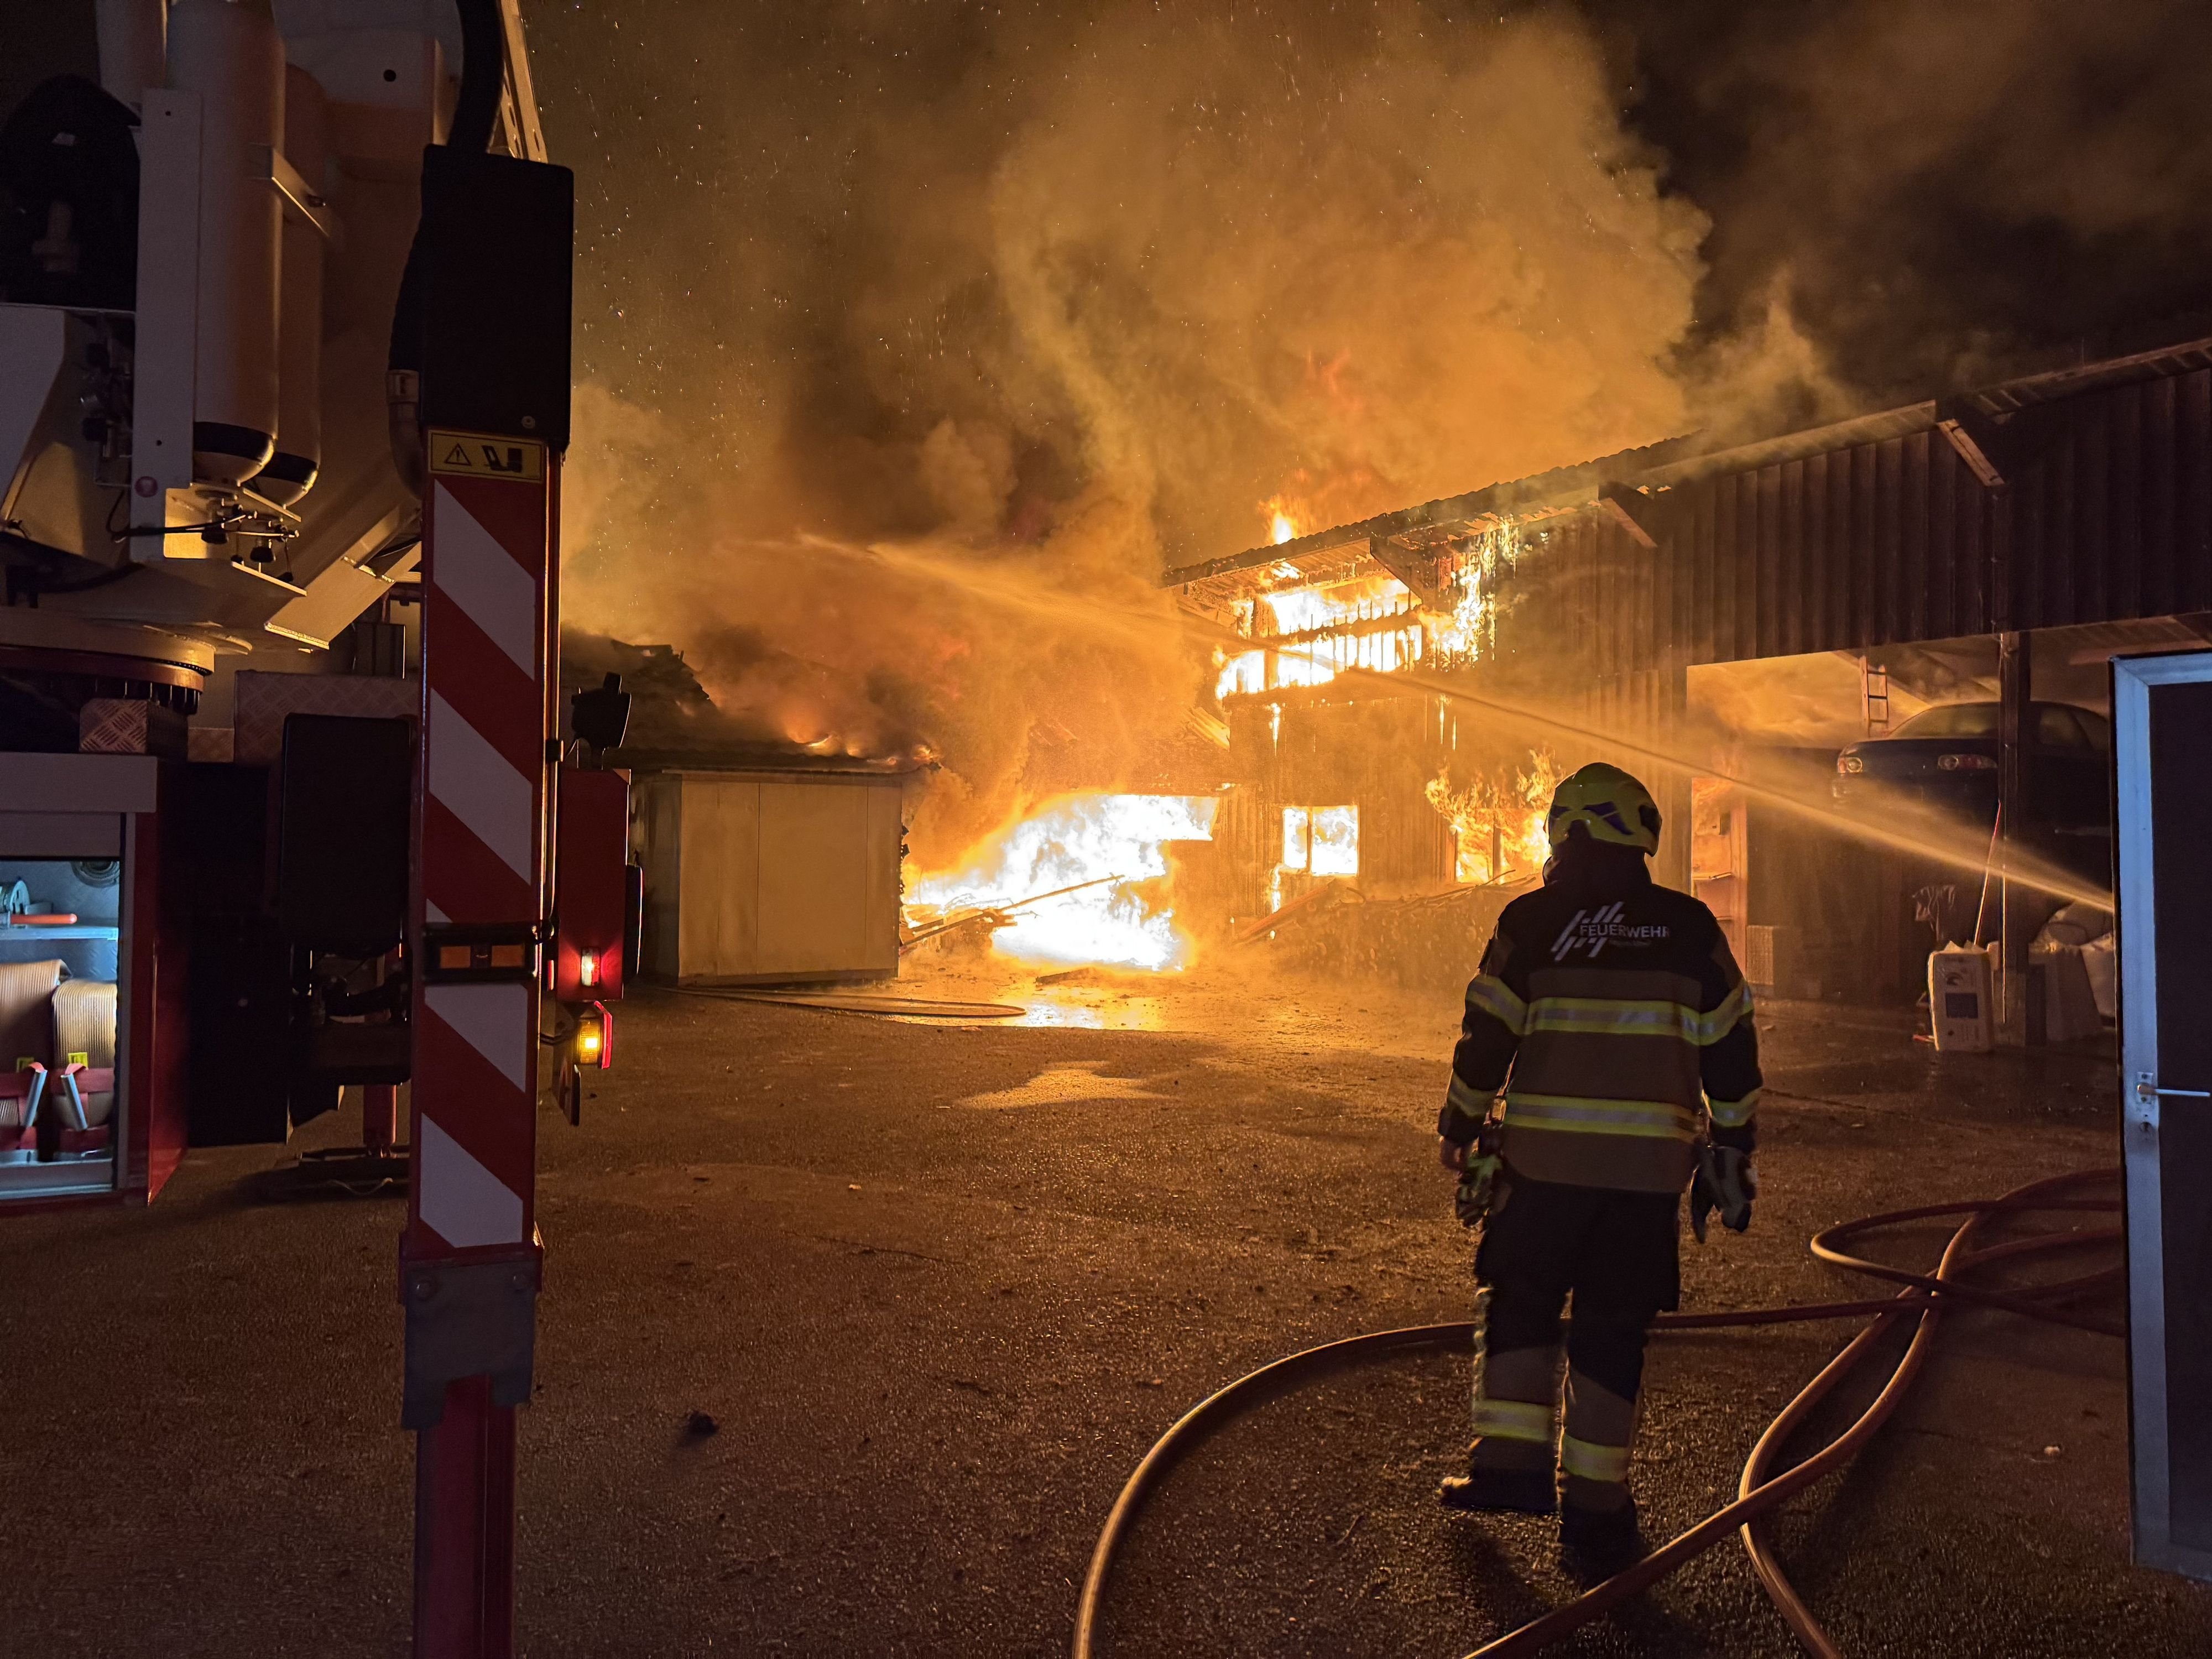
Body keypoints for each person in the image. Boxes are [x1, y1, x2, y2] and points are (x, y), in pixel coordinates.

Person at [1434, 761, 1761, 1563]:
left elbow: (1488, 1035)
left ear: (1567, 832)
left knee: (1520, 1304)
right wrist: (1732, 1147)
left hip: (1541, 1171)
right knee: (1614, 1333)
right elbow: (1731, 1046)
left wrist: (1461, 1123)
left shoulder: (1532, 921)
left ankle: (1509, 1470)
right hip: (1644, 1184)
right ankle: (1597, 1512)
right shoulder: (1689, 927)